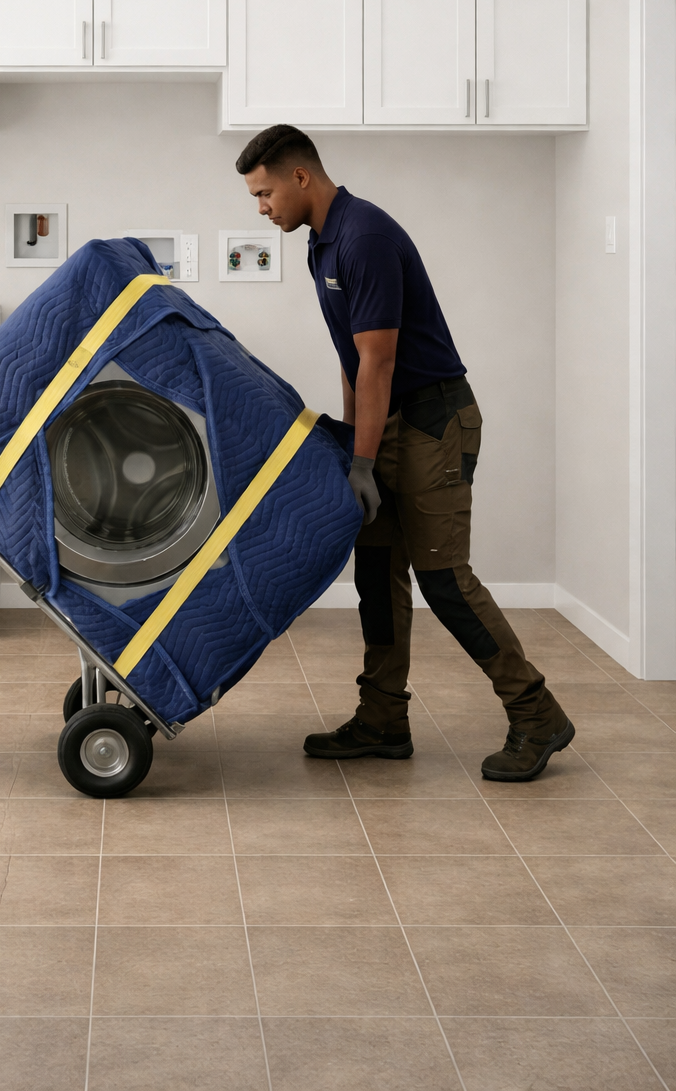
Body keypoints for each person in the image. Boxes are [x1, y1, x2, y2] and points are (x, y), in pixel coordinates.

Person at [237, 124, 574, 782]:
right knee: (377, 569)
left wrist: (364, 461)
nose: (261, 207)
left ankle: (537, 714)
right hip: (385, 420)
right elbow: (353, 358)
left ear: (299, 177)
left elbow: (381, 358)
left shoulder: (364, 237)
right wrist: (354, 447)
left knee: (444, 579)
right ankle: (383, 719)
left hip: (430, 422)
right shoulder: (320, 245)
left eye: (264, 192)